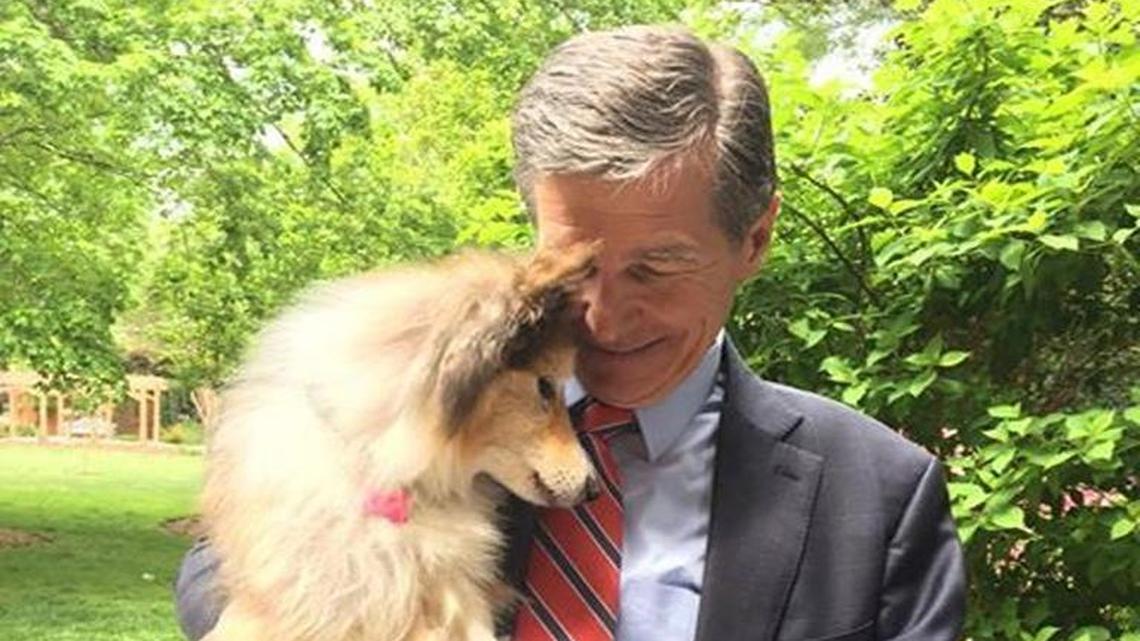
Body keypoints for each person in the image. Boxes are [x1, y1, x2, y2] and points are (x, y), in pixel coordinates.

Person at [174, 25, 966, 641]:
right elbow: (225, 578)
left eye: (656, 268)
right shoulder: (421, 408)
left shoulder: (879, 498)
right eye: (574, 263)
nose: (603, 317)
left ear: (754, 240)